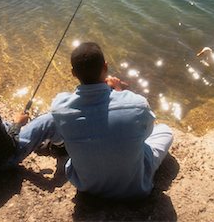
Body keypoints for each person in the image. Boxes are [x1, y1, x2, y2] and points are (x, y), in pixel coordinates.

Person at [51, 42, 173, 199]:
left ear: (73, 73)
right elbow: (146, 134)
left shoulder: (59, 107)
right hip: (135, 188)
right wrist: (118, 91)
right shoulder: (137, 103)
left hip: (87, 186)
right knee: (165, 130)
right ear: (105, 66)